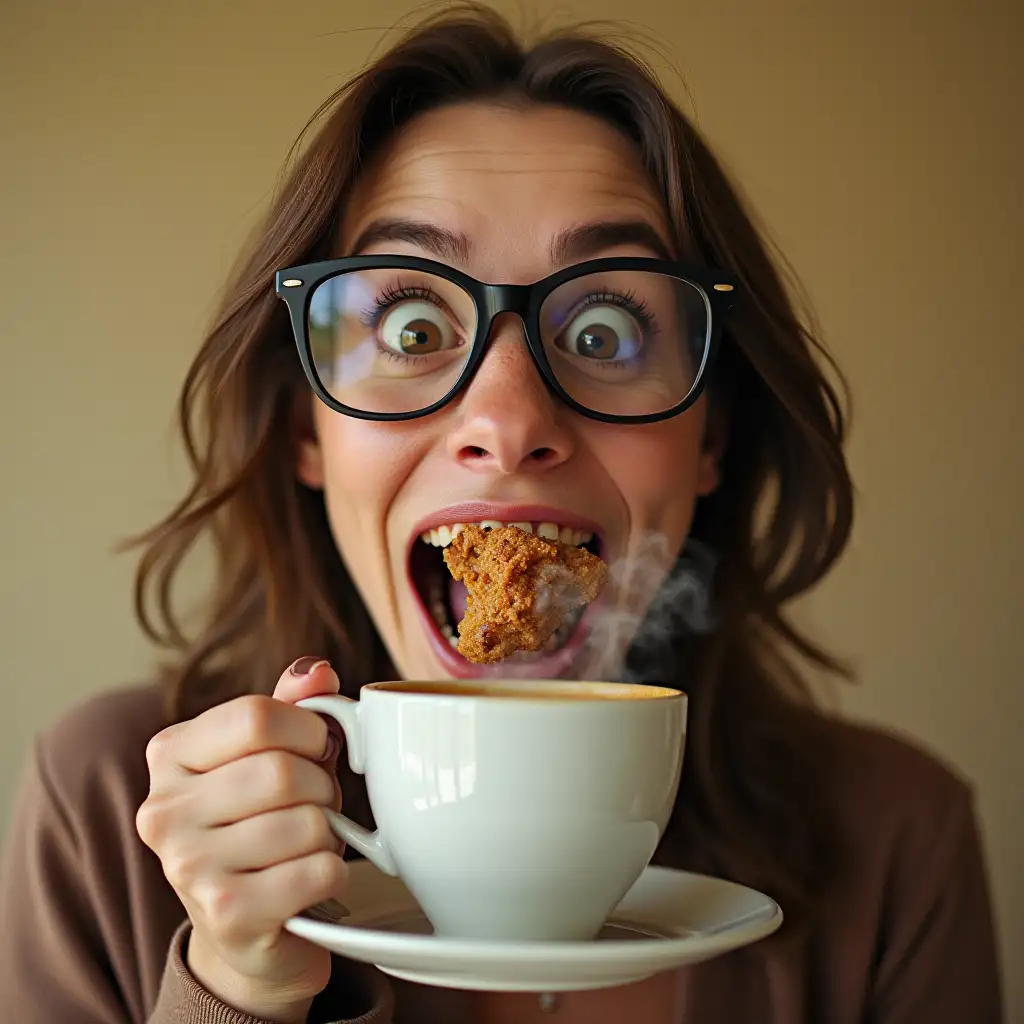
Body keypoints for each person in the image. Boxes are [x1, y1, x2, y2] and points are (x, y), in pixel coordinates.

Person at [0, 5, 1003, 1023]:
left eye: (606, 329)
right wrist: (235, 989)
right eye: (413, 323)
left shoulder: (894, 842)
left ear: (711, 438)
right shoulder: (107, 809)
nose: (508, 419)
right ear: (307, 427)